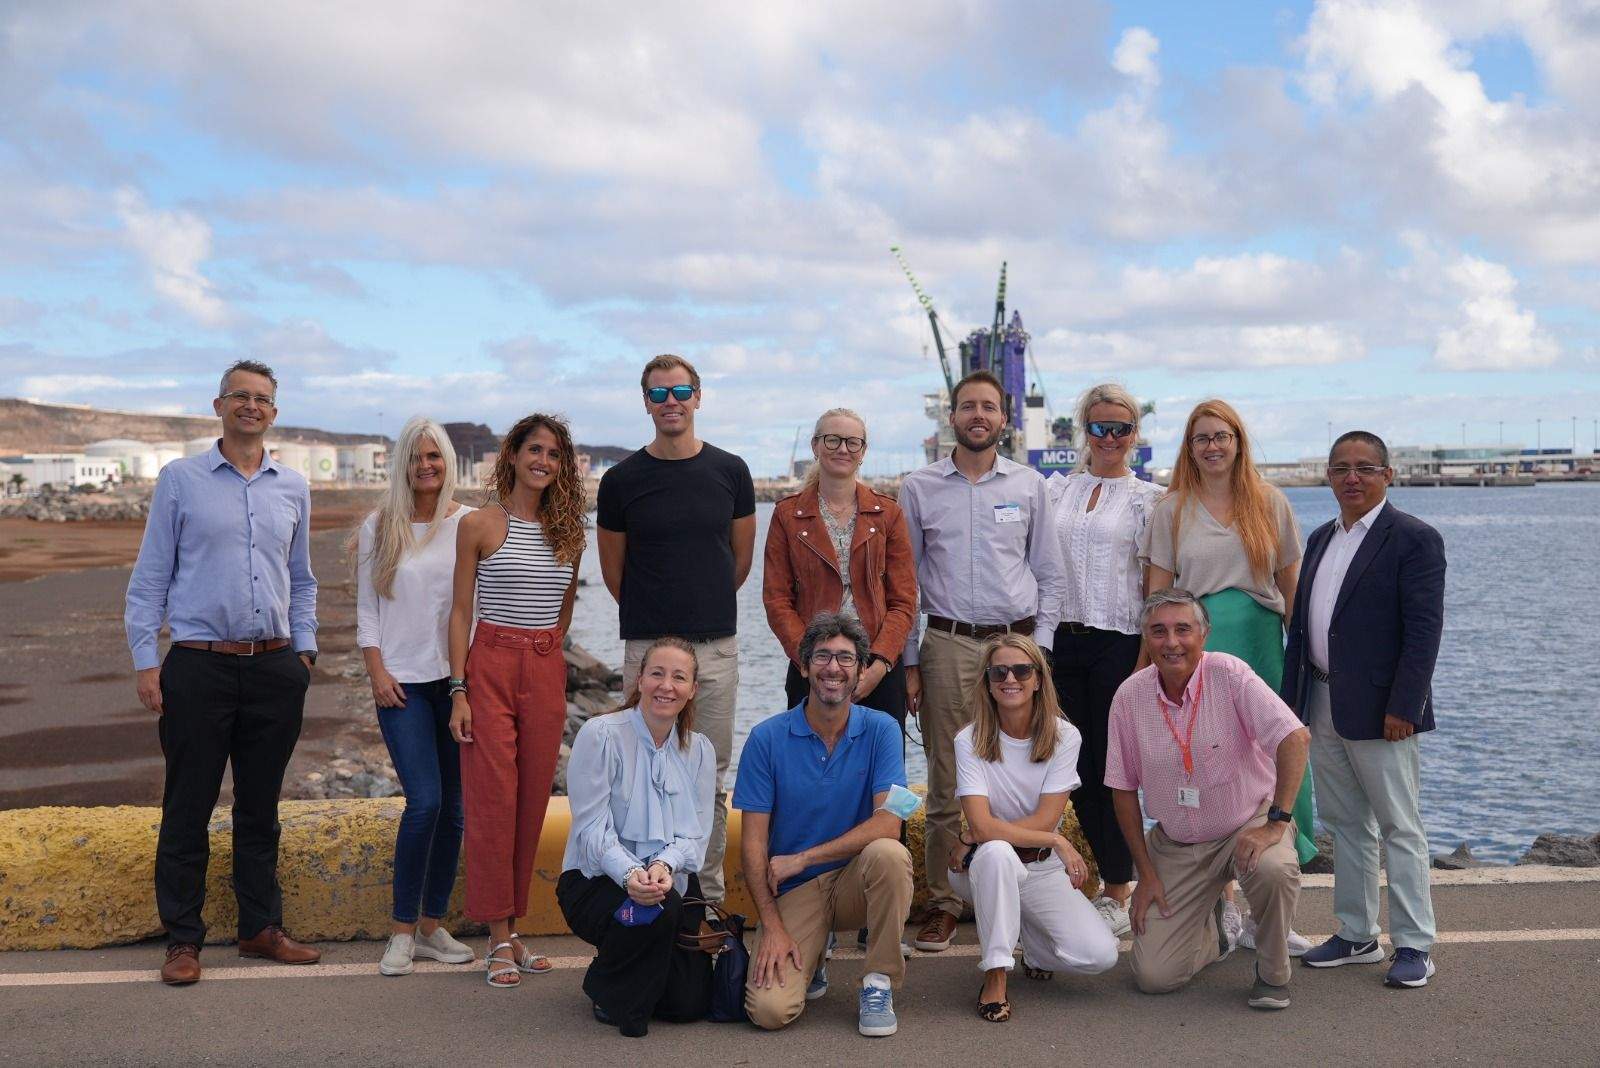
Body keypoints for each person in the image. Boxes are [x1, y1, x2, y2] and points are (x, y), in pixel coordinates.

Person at [125, 359, 320, 985]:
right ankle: (183, 940)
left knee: (260, 808)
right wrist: (145, 661)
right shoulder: (180, 480)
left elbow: (302, 579)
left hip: (273, 667)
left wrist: (304, 654)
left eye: (262, 398)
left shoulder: (292, 487)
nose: (250, 406)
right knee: (188, 804)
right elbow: (149, 579)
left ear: (274, 411)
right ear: (218, 405)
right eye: (240, 395)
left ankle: (260, 927)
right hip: (199, 667)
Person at [899, 369, 1066, 952]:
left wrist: (1039, 651)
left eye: (988, 407)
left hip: (1017, 648)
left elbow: (1049, 574)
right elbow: (907, 586)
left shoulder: (1030, 486)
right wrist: (910, 662)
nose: (978, 415)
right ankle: (945, 900)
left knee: (1022, 771)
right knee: (948, 777)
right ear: (952, 417)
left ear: (1004, 418)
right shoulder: (918, 488)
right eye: (967, 406)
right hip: (946, 643)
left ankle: (1022, 892)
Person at [1142, 398, 1317, 951]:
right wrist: (1148, 669)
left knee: (1271, 758)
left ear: (1239, 441)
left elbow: (1293, 588)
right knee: (1206, 762)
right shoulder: (1171, 509)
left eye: (1222, 436)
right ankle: (1225, 912)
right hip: (1194, 646)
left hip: (1262, 644)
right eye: (1202, 438)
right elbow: (1156, 595)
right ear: (1189, 448)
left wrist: (1306, 657)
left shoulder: (1269, 502)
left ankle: (1277, 919)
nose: (1213, 446)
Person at [1283, 432, 1446, 988]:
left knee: (1401, 826)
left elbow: (1423, 633)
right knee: (1347, 824)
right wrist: (1294, 704)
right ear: (1328, 476)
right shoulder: (1322, 537)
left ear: (1387, 475)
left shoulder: (1414, 540)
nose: (1352, 477)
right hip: (1322, 699)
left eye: (1365, 468)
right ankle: (1356, 933)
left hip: (1383, 712)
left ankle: (1414, 943)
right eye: (1341, 468)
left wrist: (1405, 705)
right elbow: (1304, 628)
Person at [598, 353, 756, 904]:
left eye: (681, 391)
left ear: (698, 396)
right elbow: (613, 572)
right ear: (645, 401)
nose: (672, 402)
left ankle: (701, 902)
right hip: (647, 648)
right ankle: (640, 890)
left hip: (714, 648)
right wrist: (661, 640)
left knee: (706, 779)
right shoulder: (621, 481)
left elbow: (738, 562)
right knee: (636, 775)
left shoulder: (731, 471)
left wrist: (698, 616)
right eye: (659, 394)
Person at [1108, 590, 1310, 1010]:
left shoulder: (1230, 675)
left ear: (1204, 634)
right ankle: (1219, 928)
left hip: (1245, 824)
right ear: (1145, 638)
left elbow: (1294, 738)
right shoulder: (1129, 697)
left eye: (1183, 629)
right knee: (1153, 977)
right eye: (1159, 631)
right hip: (1177, 843)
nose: (1171, 642)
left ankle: (1272, 974)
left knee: (1274, 868)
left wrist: (1275, 824)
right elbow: (1122, 790)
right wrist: (1144, 873)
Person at [447, 413, 583, 987]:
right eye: (534, 450)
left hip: (546, 666)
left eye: (554, 454)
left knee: (531, 799)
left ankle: (513, 927)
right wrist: (459, 689)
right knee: (493, 799)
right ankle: (496, 935)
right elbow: (458, 612)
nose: (543, 461)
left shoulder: (569, 530)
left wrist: (551, 649)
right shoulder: (478, 524)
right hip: (492, 662)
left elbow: (566, 601)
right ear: (513, 455)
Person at [734, 612, 914, 1037]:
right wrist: (773, 927)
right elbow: (753, 846)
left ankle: (878, 981)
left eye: (846, 658)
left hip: (856, 878)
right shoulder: (766, 738)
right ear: (803, 666)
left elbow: (889, 824)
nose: (833, 667)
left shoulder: (883, 729)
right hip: (797, 892)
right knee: (769, 1011)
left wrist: (803, 858)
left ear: (860, 670)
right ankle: (811, 955)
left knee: (890, 854)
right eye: (822, 656)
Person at [354, 416, 476, 977]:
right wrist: (376, 671)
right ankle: (401, 931)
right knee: (424, 801)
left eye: (435, 456)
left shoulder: (469, 523)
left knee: (454, 810)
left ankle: (430, 927)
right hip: (401, 684)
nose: (426, 466)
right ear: (402, 464)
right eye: (416, 457)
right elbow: (367, 611)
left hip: (455, 685)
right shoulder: (381, 526)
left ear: (448, 463)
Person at [947, 634, 1119, 1023]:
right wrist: (1055, 838)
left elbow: (1038, 819)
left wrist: (978, 831)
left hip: (1040, 868)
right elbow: (992, 827)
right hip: (982, 868)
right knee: (995, 853)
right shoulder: (968, 739)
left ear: (1039, 679)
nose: (1011, 678)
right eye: (999, 671)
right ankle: (995, 975)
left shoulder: (1064, 736)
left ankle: (1032, 944)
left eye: (1022, 669)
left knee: (1100, 956)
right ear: (988, 682)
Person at [1044, 382, 1163, 938]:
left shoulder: (1149, 499)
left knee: (1112, 769)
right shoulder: (1055, 491)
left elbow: (1156, 583)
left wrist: (1144, 658)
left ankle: (1120, 887)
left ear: (1134, 435)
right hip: (1060, 642)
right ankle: (1102, 877)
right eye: (1099, 427)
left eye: (1120, 428)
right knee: (1070, 768)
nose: (1110, 437)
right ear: (1083, 432)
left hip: (1118, 642)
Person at [558, 636, 718, 1036]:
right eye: (657, 674)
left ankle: (637, 968)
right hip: (596, 881)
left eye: (679, 677)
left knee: (687, 1004)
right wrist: (632, 876)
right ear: (640, 680)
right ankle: (606, 984)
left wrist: (663, 865)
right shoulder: (601, 734)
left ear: (693, 689)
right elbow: (591, 829)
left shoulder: (700, 750)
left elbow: (694, 835)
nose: (667, 686)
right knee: (655, 913)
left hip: (669, 880)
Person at [764, 407, 916, 723]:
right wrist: (810, 660)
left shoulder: (888, 515)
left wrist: (879, 666)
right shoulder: (787, 516)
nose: (842, 449)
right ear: (815, 446)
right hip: (810, 671)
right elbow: (777, 601)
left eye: (852, 442)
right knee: (808, 766)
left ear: (863, 452)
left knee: (879, 768)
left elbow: (903, 602)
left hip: (878, 669)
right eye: (832, 440)